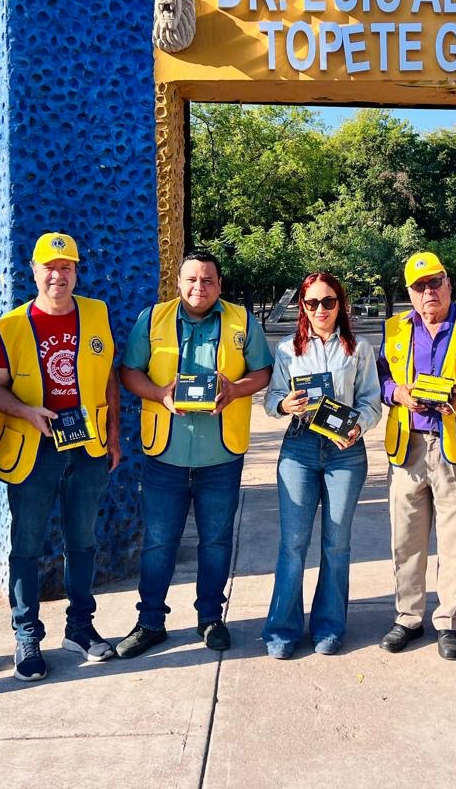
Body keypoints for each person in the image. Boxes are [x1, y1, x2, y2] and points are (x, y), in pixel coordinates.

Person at [115, 250, 273, 657]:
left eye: (207, 280)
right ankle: (150, 621)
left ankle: (210, 618)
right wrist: (159, 395)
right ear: (178, 282)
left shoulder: (242, 321)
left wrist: (236, 389)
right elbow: (129, 372)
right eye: (191, 280)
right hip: (165, 454)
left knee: (216, 541)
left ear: (219, 285)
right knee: (158, 542)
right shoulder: (151, 320)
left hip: (221, 455)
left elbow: (263, 371)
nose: (198, 288)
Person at [0, 233, 122, 682]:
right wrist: (27, 412)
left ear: (76, 272)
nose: (57, 275)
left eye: (66, 267)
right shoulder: (10, 327)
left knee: (82, 540)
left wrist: (114, 436)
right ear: (34, 270)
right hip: (34, 447)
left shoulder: (96, 314)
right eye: (49, 266)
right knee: (27, 545)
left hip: (87, 446)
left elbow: (108, 380)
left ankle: (80, 627)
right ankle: (26, 634)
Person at [376, 252, 456, 660]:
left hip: (455, 447)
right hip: (408, 445)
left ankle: (449, 621)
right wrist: (398, 394)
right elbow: (379, 377)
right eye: (419, 286)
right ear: (410, 293)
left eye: (435, 282)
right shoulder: (394, 329)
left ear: (449, 283)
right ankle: (408, 617)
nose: (428, 291)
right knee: (406, 538)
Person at [261, 272, 382, 658]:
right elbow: (271, 399)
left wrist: (358, 426)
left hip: (344, 450)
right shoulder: (287, 350)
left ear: (340, 305)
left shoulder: (358, 348)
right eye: (311, 303)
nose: (320, 310)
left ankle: (329, 626)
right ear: (303, 307)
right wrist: (284, 405)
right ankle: (282, 630)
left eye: (328, 302)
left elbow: (371, 401)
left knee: (337, 544)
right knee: (293, 544)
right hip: (300, 447)